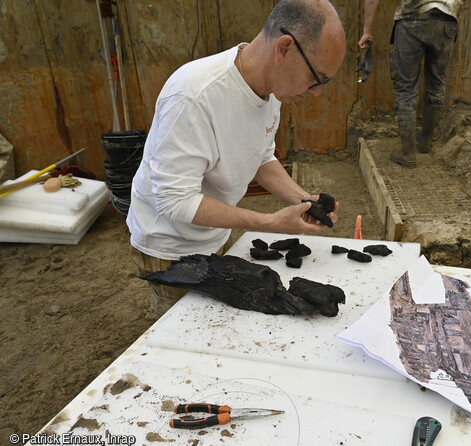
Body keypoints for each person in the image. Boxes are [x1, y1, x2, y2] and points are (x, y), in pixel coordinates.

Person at [127, 0, 346, 316]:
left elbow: (261, 156)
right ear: (284, 49)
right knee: (187, 340)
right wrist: (267, 223)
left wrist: (303, 200)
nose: (317, 93)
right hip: (170, 247)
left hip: (214, 234)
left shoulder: (270, 89)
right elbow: (174, 201)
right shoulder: (194, 96)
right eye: (318, 78)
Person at [358, 0, 462, 168]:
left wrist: (367, 30)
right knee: (437, 84)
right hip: (446, 21)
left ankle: (407, 153)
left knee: (405, 88)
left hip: (411, 18)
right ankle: (425, 142)